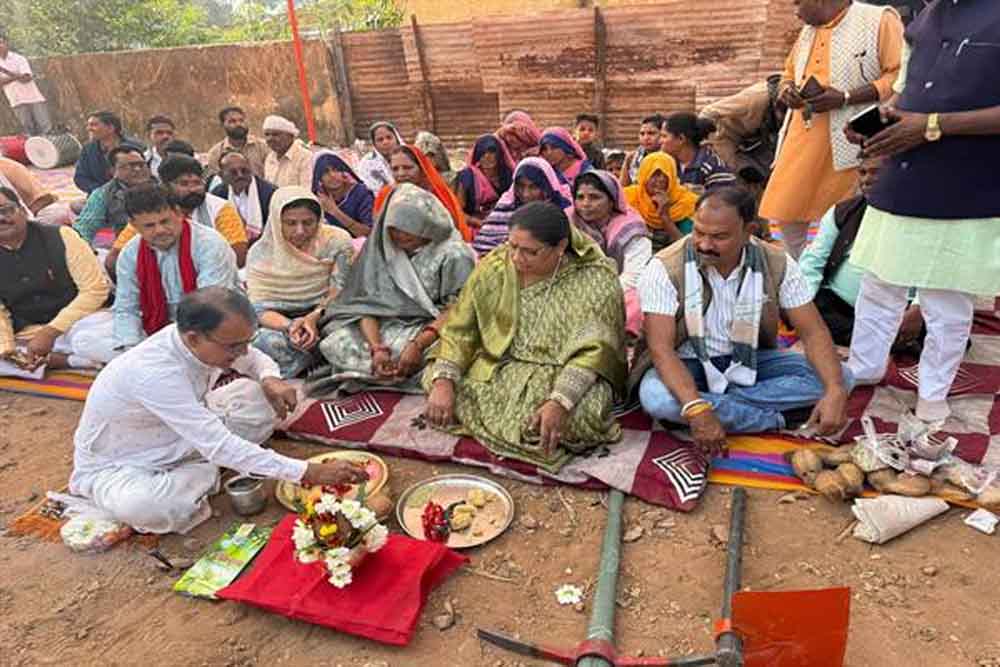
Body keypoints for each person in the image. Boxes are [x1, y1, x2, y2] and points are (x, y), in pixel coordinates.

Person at [66, 286, 369, 535]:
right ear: (194, 338)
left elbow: (254, 358)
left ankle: (215, 465)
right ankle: (211, 469)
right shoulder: (154, 372)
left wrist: (269, 378)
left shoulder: (200, 339)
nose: (242, 352)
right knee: (147, 506)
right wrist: (307, 472)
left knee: (258, 398)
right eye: (234, 347)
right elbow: (217, 443)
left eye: (246, 342)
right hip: (127, 462)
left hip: (187, 433)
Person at [846, 0, 1000, 423]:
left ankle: (934, 392)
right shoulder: (926, 17)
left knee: (946, 296)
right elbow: (904, 93)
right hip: (905, 173)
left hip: (965, 180)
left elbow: (930, 117)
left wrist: (931, 126)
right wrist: (874, 122)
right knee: (879, 282)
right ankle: (864, 366)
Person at [633, 187, 851, 456]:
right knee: (656, 399)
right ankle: (776, 419)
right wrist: (695, 406)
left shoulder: (777, 262)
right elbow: (661, 349)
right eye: (699, 232)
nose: (705, 245)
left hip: (750, 360)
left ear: (749, 231)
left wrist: (834, 389)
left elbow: (813, 332)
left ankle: (717, 405)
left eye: (719, 237)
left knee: (842, 378)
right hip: (687, 364)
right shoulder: (665, 267)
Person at [424, 201, 626, 473]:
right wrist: (444, 382)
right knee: (437, 379)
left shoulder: (595, 279)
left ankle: (535, 421)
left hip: (560, 373)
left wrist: (559, 402)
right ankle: (527, 428)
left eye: (530, 251)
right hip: (498, 364)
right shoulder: (497, 264)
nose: (517, 258)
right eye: (512, 246)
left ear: (560, 247)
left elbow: (595, 353)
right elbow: (461, 328)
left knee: (584, 414)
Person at [759, 0, 904, 258]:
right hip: (804, 133)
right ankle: (804, 274)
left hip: (853, 135)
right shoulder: (808, 31)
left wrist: (846, 97)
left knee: (846, 216)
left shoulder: (879, 20)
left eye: (798, 3)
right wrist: (787, 90)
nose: (795, 11)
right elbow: (788, 74)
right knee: (787, 214)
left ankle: (835, 273)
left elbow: (899, 75)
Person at [311, 183, 475, 396]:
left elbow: (460, 309)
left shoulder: (454, 254)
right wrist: (377, 348)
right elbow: (365, 304)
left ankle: (382, 373)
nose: (400, 235)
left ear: (427, 222)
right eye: (394, 228)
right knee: (336, 339)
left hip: (434, 327)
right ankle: (386, 369)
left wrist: (418, 344)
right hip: (386, 323)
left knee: (447, 350)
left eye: (410, 227)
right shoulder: (382, 249)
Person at [111, 183, 238, 353]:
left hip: (208, 327)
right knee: (87, 338)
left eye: (165, 221)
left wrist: (166, 346)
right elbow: (127, 308)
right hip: (157, 329)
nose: (160, 230)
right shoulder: (130, 253)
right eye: (149, 226)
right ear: (134, 225)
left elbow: (210, 305)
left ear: (178, 214)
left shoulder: (210, 244)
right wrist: (132, 349)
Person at [0, 186, 113, 377]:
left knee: (86, 341)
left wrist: (51, 332)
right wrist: (6, 348)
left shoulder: (61, 236)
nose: (1, 218)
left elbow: (95, 290)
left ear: (22, 210)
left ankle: (61, 359)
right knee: (6, 353)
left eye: (6, 210)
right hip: (29, 333)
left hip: (81, 322)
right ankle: (73, 361)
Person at [247, 187, 354, 378]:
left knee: (343, 336)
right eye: (290, 223)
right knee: (262, 342)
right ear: (276, 222)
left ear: (319, 220)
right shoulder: (260, 253)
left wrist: (314, 317)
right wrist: (292, 326)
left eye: (308, 223)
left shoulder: (336, 241)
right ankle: (320, 361)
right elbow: (259, 309)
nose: (300, 231)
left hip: (327, 314)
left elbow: (341, 290)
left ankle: (317, 361)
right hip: (281, 322)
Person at [108, 155, 249, 271]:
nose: (193, 189)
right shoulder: (149, 213)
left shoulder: (220, 207)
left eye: (197, 183)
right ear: (165, 186)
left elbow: (238, 255)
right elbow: (114, 260)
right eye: (184, 184)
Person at [571, 169, 650, 338]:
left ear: (612, 201)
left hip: (620, 290)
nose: (585, 204)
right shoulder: (569, 222)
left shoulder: (630, 228)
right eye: (580, 197)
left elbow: (634, 276)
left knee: (635, 303)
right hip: (578, 290)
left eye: (595, 197)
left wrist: (599, 296)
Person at [472, 157, 573, 257]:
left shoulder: (561, 213)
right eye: (520, 186)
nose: (526, 194)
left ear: (546, 188)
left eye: (533, 187)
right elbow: (483, 246)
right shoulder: (506, 207)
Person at [700, 75, 786, 192]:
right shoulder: (755, 98)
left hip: (755, 142)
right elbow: (709, 112)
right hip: (726, 140)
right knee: (741, 183)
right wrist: (705, 134)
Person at [374, 144, 472, 242]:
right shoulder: (386, 195)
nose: (401, 174)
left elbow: (450, 232)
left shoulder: (437, 195)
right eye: (395, 169)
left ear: (421, 169)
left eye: (407, 168)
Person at [73, 144, 155, 248]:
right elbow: (84, 228)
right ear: (113, 171)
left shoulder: (161, 187)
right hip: (126, 247)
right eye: (129, 166)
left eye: (141, 165)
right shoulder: (103, 194)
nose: (138, 169)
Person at [623, 152, 699, 252]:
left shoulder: (686, 202)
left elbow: (688, 249)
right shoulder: (629, 198)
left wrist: (665, 217)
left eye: (666, 175)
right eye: (655, 174)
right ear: (644, 175)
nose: (661, 179)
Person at [210, 151, 277, 245]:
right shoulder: (217, 195)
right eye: (233, 172)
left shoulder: (270, 193)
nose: (240, 175)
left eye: (244, 171)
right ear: (221, 175)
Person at [659, 112, 736, 193]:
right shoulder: (668, 163)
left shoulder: (713, 168)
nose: (660, 141)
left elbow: (725, 197)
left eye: (664, 136)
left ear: (681, 139)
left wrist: (702, 194)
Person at [74, 111, 143, 195]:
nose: (88, 129)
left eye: (94, 125)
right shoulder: (88, 150)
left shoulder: (136, 147)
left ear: (111, 128)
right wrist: (101, 191)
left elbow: (144, 174)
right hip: (100, 195)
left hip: (133, 194)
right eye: (88, 125)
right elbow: (80, 177)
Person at [454, 134, 515, 226]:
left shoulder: (508, 175)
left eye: (492, 152)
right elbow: (457, 212)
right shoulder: (467, 176)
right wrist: (478, 222)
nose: (487, 157)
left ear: (499, 154)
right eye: (482, 153)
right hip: (474, 225)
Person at [311, 150, 374, 238]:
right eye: (326, 172)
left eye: (336, 170)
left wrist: (335, 212)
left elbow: (370, 234)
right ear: (319, 178)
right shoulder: (319, 199)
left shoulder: (361, 193)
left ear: (343, 171)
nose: (332, 175)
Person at [0, 34, 50, 136]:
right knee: (28, 131)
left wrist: (6, 73)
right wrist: (17, 75)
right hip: (16, 100)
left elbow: (26, 79)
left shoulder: (19, 58)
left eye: (1, 42)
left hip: (34, 98)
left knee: (45, 127)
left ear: (6, 44)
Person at [0, 156, 70, 226]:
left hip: (28, 217)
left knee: (58, 214)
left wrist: (28, 220)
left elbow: (44, 199)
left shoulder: (9, 167)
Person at [205, 106, 270, 179]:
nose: (238, 124)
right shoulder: (215, 153)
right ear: (222, 125)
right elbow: (215, 180)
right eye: (232, 121)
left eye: (241, 120)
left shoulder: (263, 147)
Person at [263, 115, 313, 189]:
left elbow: (306, 190)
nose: (270, 139)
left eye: (275, 134)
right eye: (267, 134)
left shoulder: (304, 157)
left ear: (290, 136)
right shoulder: (269, 158)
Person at [357, 121, 403, 193]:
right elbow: (372, 190)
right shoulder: (367, 163)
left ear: (397, 139)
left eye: (389, 137)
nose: (385, 142)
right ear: (374, 144)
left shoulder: (408, 156)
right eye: (380, 140)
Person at [620, 113, 663, 187]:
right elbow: (623, 188)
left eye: (651, 133)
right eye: (642, 134)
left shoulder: (669, 158)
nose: (645, 138)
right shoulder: (632, 158)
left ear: (662, 135)